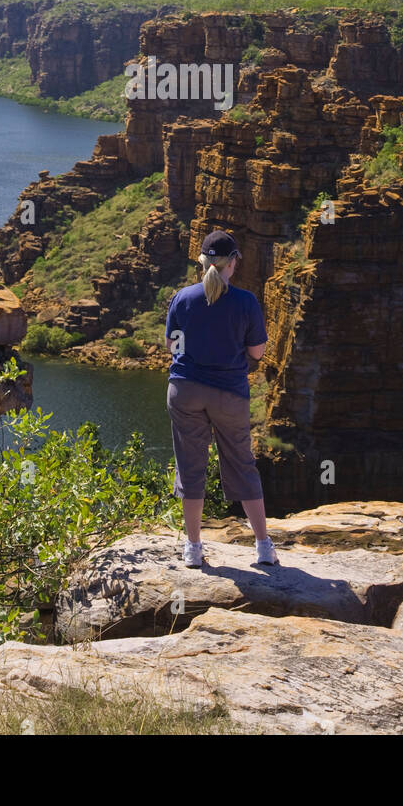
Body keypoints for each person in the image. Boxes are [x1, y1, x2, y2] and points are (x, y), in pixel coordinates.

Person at [165, 229, 278, 568]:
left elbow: (173, 345)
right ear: (233, 263)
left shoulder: (183, 298)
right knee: (242, 464)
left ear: (202, 261)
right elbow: (257, 352)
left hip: (185, 390)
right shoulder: (245, 301)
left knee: (191, 466)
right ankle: (262, 547)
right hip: (229, 392)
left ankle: (194, 549)